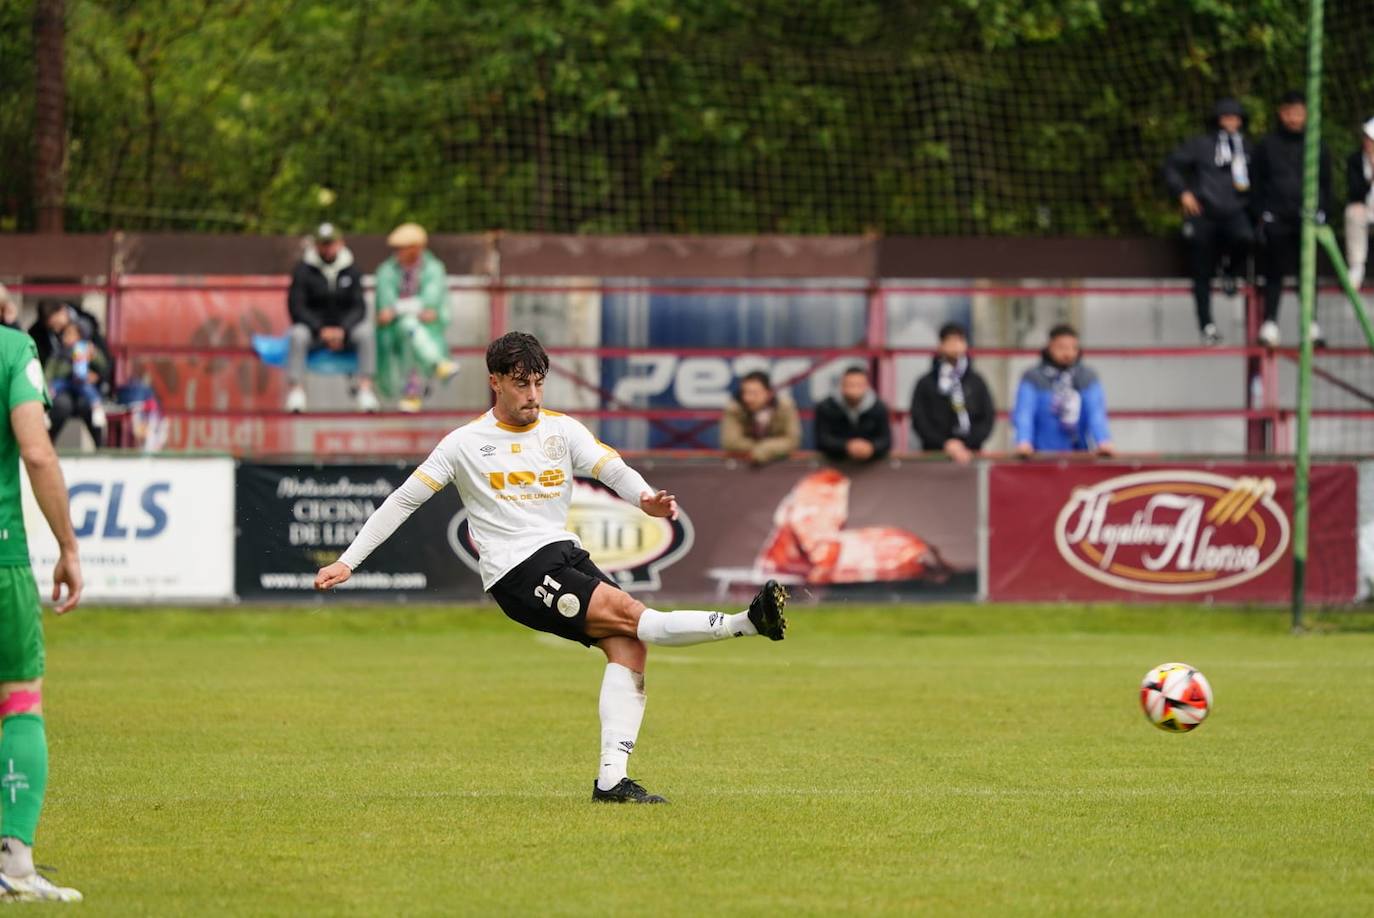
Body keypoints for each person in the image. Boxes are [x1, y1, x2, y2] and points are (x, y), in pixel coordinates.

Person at [313, 332, 788, 804]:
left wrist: (644, 498)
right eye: (522, 385)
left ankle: (611, 782)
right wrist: (349, 560)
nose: (533, 396)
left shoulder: (561, 430)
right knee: (636, 618)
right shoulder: (463, 443)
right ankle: (747, 622)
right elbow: (403, 501)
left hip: (563, 552)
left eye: (539, 383)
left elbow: (611, 467)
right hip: (516, 572)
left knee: (629, 646)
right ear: (494, 381)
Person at [0, 324, 83, 901]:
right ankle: (15, 866)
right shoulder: (10, 349)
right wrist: (69, 547)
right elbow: (35, 449)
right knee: (19, 697)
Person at [1163, 98, 1255, 346]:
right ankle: (1207, 325)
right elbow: (1171, 166)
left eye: (1235, 117)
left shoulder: (1247, 147)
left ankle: (1230, 272)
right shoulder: (1200, 145)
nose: (1230, 122)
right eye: (1225, 117)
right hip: (1203, 212)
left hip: (1235, 211)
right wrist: (1183, 192)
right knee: (1201, 269)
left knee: (1246, 238)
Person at [1251, 91, 1333, 348]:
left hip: (1306, 221)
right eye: (1289, 112)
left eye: (1299, 112)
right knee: (1273, 271)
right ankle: (1270, 323)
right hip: (1276, 218)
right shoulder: (1267, 145)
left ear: (1306, 114)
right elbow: (1256, 182)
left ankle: (1310, 324)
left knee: (1307, 273)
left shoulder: (1316, 144)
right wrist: (1262, 213)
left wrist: (1322, 211)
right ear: (1281, 113)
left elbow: (1326, 183)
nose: (1294, 118)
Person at [285, 223, 379, 413]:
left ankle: (365, 389)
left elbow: (359, 307)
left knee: (366, 333)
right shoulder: (303, 271)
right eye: (323, 244)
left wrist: (343, 330)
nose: (327, 248)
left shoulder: (352, 270)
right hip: (314, 332)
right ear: (316, 246)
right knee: (297, 334)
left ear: (340, 243)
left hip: (345, 331)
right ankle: (296, 392)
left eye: (331, 243)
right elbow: (297, 306)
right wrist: (320, 329)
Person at [373, 223, 458, 413]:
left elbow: (431, 305)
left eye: (403, 248)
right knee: (408, 325)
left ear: (417, 248)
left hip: (428, 331)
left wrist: (397, 309)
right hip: (393, 334)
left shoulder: (433, 268)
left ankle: (411, 392)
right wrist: (413, 309)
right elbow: (385, 310)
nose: (398, 252)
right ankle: (437, 362)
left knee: (409, 328)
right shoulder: (387, 270)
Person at [1012, 324, 1114, 457]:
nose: (1067, 352)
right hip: (1039, 455)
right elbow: (1024, 413)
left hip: (1078, 454)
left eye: (1073, 348)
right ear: (1049, 347)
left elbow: (1096, 413)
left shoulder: (1087, 377)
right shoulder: (1033, 377)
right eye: (1061, 347)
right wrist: (1023, 441)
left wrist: (1103, 441)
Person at [909, 322, 995, 464]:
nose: (955, 345)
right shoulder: (927, 383)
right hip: (935, 456)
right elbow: (920, 420)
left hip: (971, 455)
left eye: (960, 340)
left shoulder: (976, 382)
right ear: (940, 346)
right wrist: (945, 444)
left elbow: (987, 418)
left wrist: (967, 445)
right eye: (950, 341)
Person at [31, 303, 108, 449]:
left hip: (84, 384)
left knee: (88, 404)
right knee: (60, 405)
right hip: (63, 387)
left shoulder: (88, 335)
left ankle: (100, 446)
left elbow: (104, 363)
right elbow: (50, 369)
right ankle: (47, 444)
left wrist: (97, 374)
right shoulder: (55, 348)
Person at [720, 371, 801, 465]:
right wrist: (761, 449)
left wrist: (767, 449)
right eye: (745, 392)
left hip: (780, 464)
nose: (747, 398)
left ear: (768, 393)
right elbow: (731, 442)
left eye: (754, 393)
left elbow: (792, 440)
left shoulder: (784, 406)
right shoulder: (734, 408)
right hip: (742, 464)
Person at [813, 366, 891, 463]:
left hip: (870, 466)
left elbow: (886, 440)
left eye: (858, 385)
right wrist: (846, 446)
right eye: (850, 384)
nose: (854, 389)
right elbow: (822, 439)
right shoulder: (826, 407)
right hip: (834, 464)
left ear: (866, 386)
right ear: (842, 385)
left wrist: (871, 447)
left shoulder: (879, 408)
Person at [1344, 117, 1374, 291]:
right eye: (1367, 138)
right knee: (1353, 213)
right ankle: (1356, 267)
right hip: (1365, 207)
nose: (1368, 142)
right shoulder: (1355, 160)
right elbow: (1355, 192)